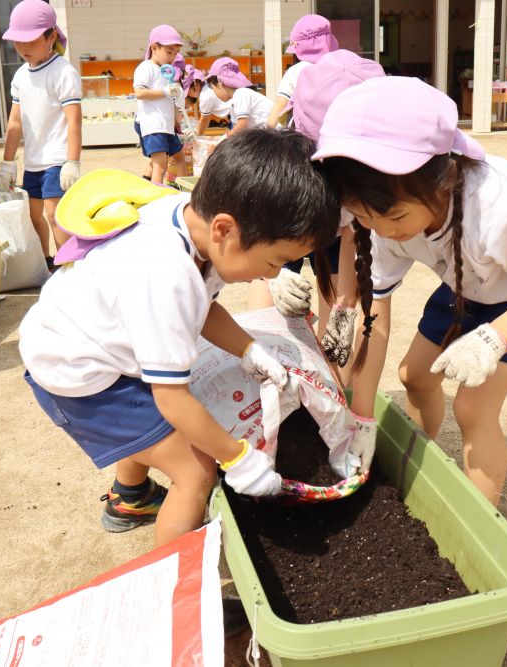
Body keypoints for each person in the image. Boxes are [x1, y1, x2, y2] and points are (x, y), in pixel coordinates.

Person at [18, 128, 340, 547]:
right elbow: (171, 399)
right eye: (275, 261)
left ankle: (130, 498)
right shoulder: (167, 275)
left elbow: (203, 307)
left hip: (86, 344)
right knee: (197, 470)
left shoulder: (190, 219)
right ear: (226, 230)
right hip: (77, 376)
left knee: (152, 426)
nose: (274, 274)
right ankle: (171, 584)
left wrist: (249, 348)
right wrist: (240, 460)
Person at [315, 77, 507, 504]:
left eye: (394, 215)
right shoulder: (384, 221)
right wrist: (362, 417)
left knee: (473, 408)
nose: (382, 229)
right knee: (413, 376)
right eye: (365, 215)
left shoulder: (498, 209)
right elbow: (373, 314)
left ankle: (484, 523)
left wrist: (493, 338)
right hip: (468, 282)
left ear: (439, 181)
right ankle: (423, 469)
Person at [249, 50, 384, 368]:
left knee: (334, 324)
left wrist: (342, 319)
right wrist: (273, 274)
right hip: (287, 226)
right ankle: (262, 361)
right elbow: (254, 243)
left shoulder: (365, 187)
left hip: (333, 239)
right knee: (269, 304)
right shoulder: (285, 176)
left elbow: (353, 242)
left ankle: (326, 380)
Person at [0, 0, 81, 264]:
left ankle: (68, 265)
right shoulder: (21, 75)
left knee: (54, 214)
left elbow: (74, 122)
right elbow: (14, 122)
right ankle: (45, 261)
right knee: (34, 216)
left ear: (51, 36)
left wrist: (72, 161)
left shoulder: (63, 72)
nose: (22, 48)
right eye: (17, 42)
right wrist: (8, 162)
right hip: (33, 161)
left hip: (57, 159)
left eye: (30, 41)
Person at [134, 25, 186, 186]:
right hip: (153, 125)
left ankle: (184, 192)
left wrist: (179, 122)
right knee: (160, 165)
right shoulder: (145, 68)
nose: (172, 57)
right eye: (169, 52)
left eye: (175, 53)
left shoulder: (167, 71)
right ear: (154, 48)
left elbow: (171, 100)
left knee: (179, 158)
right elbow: (139, 93)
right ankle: (157, 199)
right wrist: (164, 92)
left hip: (167, 126)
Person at [266, 14, 339, 127]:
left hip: (306, 136)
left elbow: (280, 106)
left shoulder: (297, 71)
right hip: (338, 131)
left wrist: (267, 130)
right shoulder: (340, 65)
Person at [206, 57, 272, 134]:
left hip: (274, 138)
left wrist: (225, 140)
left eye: (212, 88)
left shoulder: (240, 93)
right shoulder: (236, 99)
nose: (214, 93)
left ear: (220, 82)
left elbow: (242, 124)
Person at [196, 70, 232, 135]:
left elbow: (204, 119)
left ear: (196, 85)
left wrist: (197, 136)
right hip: (231, 117)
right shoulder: (207, 88)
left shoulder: (205, 95)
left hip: (234, 116)